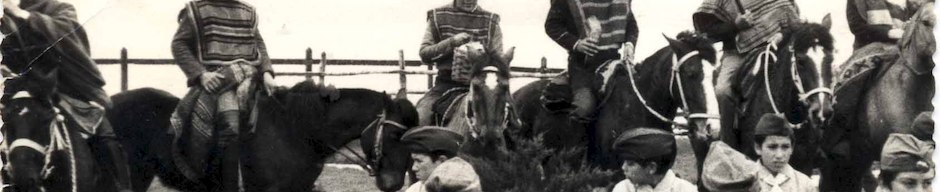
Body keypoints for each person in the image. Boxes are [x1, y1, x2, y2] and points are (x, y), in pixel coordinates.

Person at [0, 0, 133, 191]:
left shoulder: (61, 9)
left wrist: (25, 16)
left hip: (65, 90)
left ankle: (120, 187)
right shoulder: (5, 18)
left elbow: (66, 34)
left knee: (104, 135)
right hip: (20, 92)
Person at [170, 0, 276, 191]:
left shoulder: (247, 11)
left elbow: (258, 44)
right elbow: (179, 44)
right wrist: (200, 74)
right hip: (220, 80)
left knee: (276, 116)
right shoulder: (198, 9)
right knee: (231, 127)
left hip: (251, 77)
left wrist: (267, 72)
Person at [693, 0, 799, 155]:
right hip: (737, 55)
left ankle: (813, 130)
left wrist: (781, 35)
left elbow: (795, 25)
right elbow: (708, 33)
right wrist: (736, 26)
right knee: (723, 90)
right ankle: (728, 146)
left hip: (776, 51)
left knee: (804, 81)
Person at [544, 0, 638, 123]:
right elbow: (552, 25)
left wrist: (629, 45)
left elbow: (631, 25)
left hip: (613, 63)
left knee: (634, 103)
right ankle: (576, 142)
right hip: (583, 66)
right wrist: (576, 44)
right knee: (585, 107)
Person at [416, 0, 503, 126]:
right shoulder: (438, 15)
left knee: (509, 123)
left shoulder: (491, 21)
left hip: (482, 87)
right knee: (421, 118)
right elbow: (425, 54)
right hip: (445, 86)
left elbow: (498, 61)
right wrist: (451, 42)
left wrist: (482, 57)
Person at [610, 128, 698, 192]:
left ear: (651, 168)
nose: (623, 167)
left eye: (630, 164)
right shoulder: (623, 188)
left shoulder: (685, 189)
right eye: (624, 162)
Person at [401, 126, 482, 192]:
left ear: (442, 161)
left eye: (419, 161)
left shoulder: (470, 188)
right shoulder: (416, 189)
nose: (413, 168)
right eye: (414, 161)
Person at [750, 114, 815, 192]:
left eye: (785, 147)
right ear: (758, 148)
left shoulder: (805, 184)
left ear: (792, 148)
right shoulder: (744, 181)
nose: (779, 155)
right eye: (772, 147)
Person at [847, 0, 931, 49]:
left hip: (904, 51)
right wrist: (888, 33)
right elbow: (857, 27)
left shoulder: (912, 2)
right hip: (869, 51)